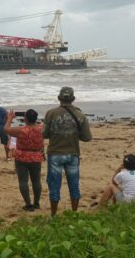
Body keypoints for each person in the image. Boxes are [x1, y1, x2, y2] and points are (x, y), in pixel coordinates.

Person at [43, 87, 92, 216]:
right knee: (74, 185)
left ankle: (54, 215)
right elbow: (87, 138)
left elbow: (45, 134)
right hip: (72, 153)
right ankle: (74, 213)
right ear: (73, 99)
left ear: (59, 98)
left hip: (55, 153)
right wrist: (74, 134)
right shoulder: (80, 115)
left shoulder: (50, 113)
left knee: (54, 185)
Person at [4, 109, 44, 211]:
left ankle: (28, 204)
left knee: (23, 181)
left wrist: (9, 118)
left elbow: (6, 129)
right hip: (36, 156)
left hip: (22, 157)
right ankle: (36, 203)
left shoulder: (21, 130)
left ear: (25, 119)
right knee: (36, 181)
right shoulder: (41, 128)